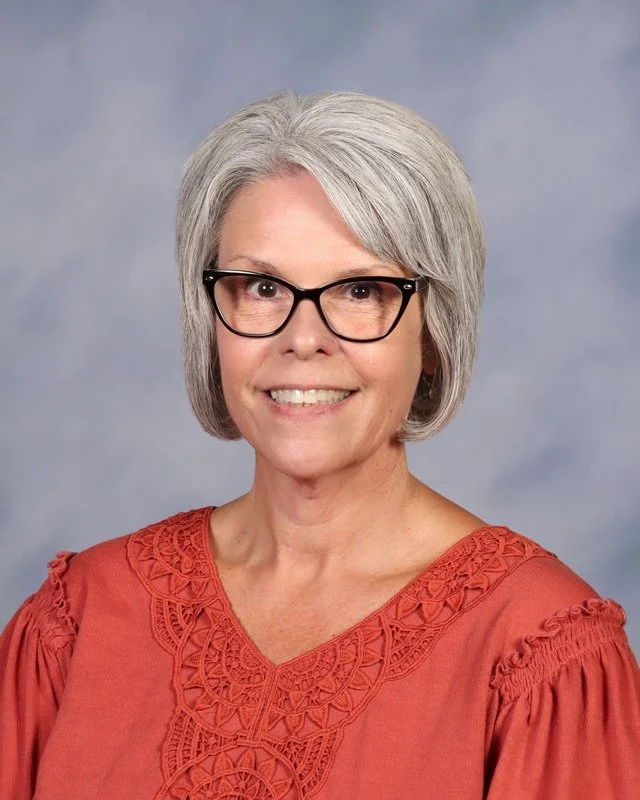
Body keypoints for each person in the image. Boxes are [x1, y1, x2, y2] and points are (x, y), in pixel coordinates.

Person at [1, 91, 638, 800]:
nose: (304, 339)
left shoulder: (535, 653)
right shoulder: (81, 620)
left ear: (432, 334)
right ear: (210, 317)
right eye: (263, 286)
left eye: (361, 290)